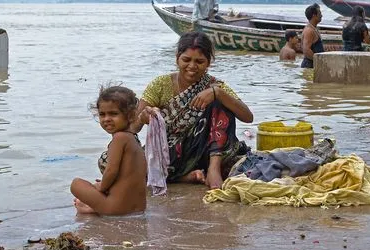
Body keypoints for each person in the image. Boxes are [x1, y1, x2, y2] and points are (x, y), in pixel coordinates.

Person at [131, 31, 254, 190]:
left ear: (209, 63)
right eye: (186, 60)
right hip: (172, 153)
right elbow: (133, 127)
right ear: (177, 58)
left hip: (207, 152)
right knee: (111, 162)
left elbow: (248, 117)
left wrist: (218, 93)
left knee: (220, 102)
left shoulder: (214, 84)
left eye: (199, 61)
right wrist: (143, 117)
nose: (192, 66)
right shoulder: (160, 84)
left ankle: (213, 169)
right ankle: (185, 176)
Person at [71, 85, 147, 215]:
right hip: (139, 208)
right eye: (102, 114)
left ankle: (95, 208)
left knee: (76, 184)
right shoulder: (134, 140)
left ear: (131, 115)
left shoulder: (119, 138)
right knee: (98, 186)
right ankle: (98, 205)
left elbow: (111, 171)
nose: (107, 119)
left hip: (116, 209)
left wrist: (101, 188)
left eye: (113, 114)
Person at [301, 3, 324, 68]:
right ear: (314, 15)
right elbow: (306, 50)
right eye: (319, 13)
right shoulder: (309, 30)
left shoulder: (313, 28)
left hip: (312, 64)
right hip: (309, 65)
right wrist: (318, 61)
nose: (321, 15)